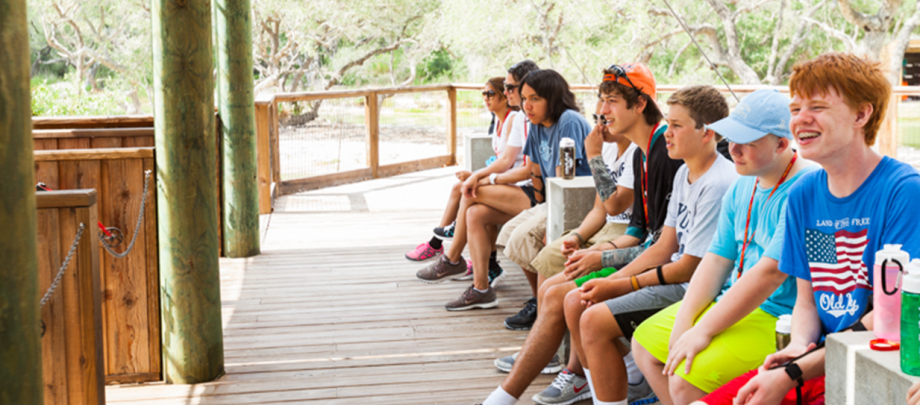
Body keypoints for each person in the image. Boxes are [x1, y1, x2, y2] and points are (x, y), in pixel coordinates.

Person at [695, 53, 920, 405]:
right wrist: (799, 344)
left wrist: (796, 371)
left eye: (817, 107)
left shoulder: (902, 190)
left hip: (866, 362)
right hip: (815, 361)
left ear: (862, 115)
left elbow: (889, 315)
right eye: (796, 108)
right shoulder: (804, 194)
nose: (800, 120)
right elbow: (808, 299)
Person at [478, 62, 682, 405]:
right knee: (557, 279)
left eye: (612, 101)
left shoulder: (664, 151)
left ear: (641, 104)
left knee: (568, 295)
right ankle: (597, 370)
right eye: (601, 102)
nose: (602, 113)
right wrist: (596, 252)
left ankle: (582, 377)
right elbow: (639, 229)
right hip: (644, 251)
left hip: (671, 270)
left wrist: (604, 257)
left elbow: (646, 231)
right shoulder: (643, 155)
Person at [627, 89, 815, 405]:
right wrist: (686, 320)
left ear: (782, 143)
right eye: (731, 138)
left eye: (748, 142)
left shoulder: (805, 186)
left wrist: (702, 331)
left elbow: (770, 274)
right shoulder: (743, 183)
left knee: (687, 374)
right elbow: (716, 259)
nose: (734, 149)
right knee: (645, 344)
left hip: (778, 314)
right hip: (730, 299)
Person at [565, 84, 737, 405]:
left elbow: (690, 267)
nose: (667, 133)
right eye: (667, 124)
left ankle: (625, 385)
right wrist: (611, 280)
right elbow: (662, 246)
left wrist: (620, 285)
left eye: (676, 126)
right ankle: (620, 382)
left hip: (697, 288)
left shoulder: (719, 182)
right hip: (670, 272)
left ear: (707, 133)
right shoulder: (682, 170)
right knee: (576, 300)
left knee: (591, 318)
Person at [501, 99, 637, 332]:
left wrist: (593, 154)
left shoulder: (636, 152)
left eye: (605, 120)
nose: (598, 128)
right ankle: (543, 330)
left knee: (563, 283)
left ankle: (546, 334)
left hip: (626, 231)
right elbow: (599, 209)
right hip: (604, 227)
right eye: (596, 120)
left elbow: (614, 207)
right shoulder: (609, 148)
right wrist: (576, 236)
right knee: (550, 255)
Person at [405, 76, 525, 262]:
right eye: (484, 94)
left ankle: (442, 248)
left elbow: (508, 162)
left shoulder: (513, 120)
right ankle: (482, 262)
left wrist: (476, 176)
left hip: (515, 182)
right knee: (469, 196)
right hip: (505, 179)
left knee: (468, 192)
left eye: (491, 94)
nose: (486, 98)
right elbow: (501, 160)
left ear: (504, 96)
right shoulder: (498, 122)